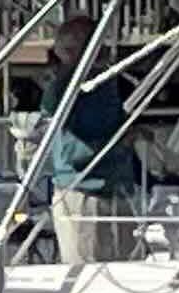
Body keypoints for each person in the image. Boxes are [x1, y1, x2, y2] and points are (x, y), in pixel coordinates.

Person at [38, 56, 146, 266]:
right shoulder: (65, 89)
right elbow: (70, 151)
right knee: (88, 270)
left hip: (117, 189)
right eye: (99, 51)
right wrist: (120, 142)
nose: (105, 55)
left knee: (130, 268)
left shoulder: (106, 84)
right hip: (85, 193)